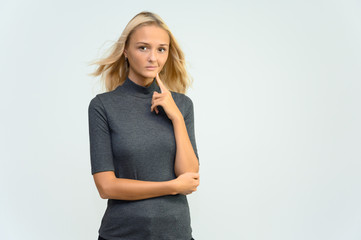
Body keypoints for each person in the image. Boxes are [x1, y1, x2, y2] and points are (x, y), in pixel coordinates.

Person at [87, 11, 200, 240]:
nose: (153, 58)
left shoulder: (181, 105)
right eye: (143, 47)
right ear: (126, 51)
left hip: (175, 234)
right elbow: (106, 187)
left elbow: (189, 177)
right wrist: (171, 186)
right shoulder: (103, 106)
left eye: (161, 49)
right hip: (121, 234)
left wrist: (176, 118)